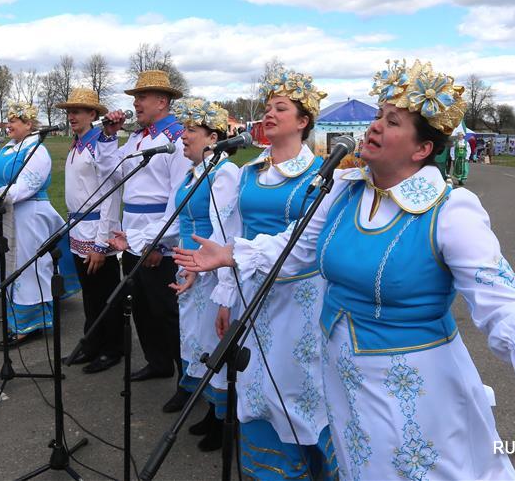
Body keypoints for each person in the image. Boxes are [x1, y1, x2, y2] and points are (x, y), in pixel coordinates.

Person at [176, 59, 515, 481]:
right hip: (342, 379)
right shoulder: (343, 192)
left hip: (416, 390)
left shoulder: (451, 210)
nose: (376, 126)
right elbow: (294, 248)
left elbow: (502, 299)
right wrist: (231, 254)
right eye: (379, 115)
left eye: (393, 121)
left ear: (422, 150)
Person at [204, 67, 336, 479]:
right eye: (267, 108)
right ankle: (270, 470)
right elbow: (232, 235)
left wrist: (234, 258)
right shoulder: (249, 172)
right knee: (255, 383)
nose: (269, 114)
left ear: (303, 121)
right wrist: (227, 297)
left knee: (296, 386)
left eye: (281, 108)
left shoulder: (321, 176)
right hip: (250, 289)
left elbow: (305, 245)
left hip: (298, 300)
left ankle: (311, 468)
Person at [110, 98, 241, 450]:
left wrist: (203, 269)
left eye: (191, 131)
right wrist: (135, 239)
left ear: (213, 137)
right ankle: (211, 408)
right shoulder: (190, 174)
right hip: (190, 269)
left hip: (211, 272)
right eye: (184, 130)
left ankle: (224, 418)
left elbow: (226, 233)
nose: (183, 137)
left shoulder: (224, 174)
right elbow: (172, 223)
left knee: (214, 340)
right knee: (196, 339)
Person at [97, 70, 193, 411]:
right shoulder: (138, 139)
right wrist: (108, 137)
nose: (135, 103)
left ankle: (188, 379)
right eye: (135, 97)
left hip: (158, 239)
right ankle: (158, 361)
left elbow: (178, 198)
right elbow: (115, 172)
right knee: (141, 305)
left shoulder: (178, 139)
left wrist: (157, 244)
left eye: (142, 97)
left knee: (169, 312)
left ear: (162, 101)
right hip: (133, 236)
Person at [0, 101, 81, 350]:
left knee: (29, 267)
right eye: (7, 120)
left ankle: (31, 323)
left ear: (29, 124)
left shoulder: (37, 150)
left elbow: (28, 185)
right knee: (13, 265)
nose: (8, 125)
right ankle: (18, 317)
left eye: (13, 121)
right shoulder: (9, 149)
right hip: (10, 212)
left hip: (30, 213)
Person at [56, 88, 124, 374]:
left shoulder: (101, 144)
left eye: (78, 111)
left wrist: (100, 243)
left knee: (105, 292)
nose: (71, 116)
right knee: (89, 294)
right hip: (78, 227)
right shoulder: (78, 143)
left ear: (93, 115)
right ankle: (92, 342)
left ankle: (113, 349)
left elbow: (110, 194)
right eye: (69, 111)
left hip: (98, 228)